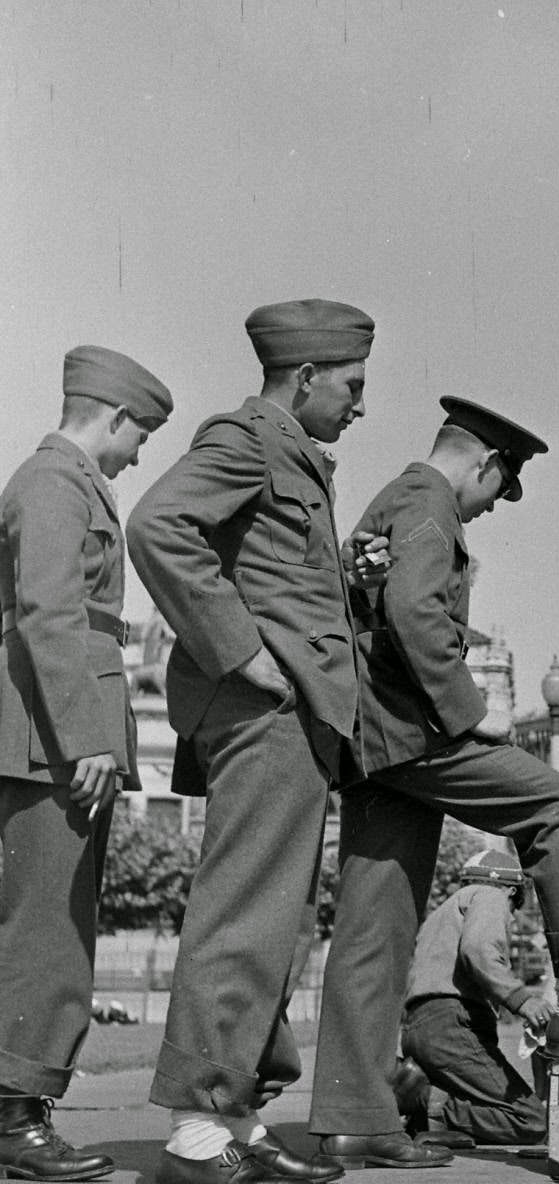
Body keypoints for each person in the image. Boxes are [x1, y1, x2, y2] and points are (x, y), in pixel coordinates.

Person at [125, 299, 406, 1184]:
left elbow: (273, 572)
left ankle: (235, 1121)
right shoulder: (247, 439)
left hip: (300, 719)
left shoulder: (296, 458)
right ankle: (196, 1141)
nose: (361, 403)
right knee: (246, 913)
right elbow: (158, 526)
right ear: (308, 376)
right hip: (267, 715)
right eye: (353, 385)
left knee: (276, 925)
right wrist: (244, 653)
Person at [308, 396, 559, 1167]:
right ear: (482, 465)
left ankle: (357, 1117)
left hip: (371, 743)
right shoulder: (430, 504)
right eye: (498, 488)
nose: (490, 506)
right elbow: (414, 610)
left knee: (374, 931)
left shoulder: (390, 501)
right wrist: (472, 711)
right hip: (415, 734)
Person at [0, 346, 172, 1182]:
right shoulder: (53, 483)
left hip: (54, 734)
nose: (138, 455)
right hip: (51, 739)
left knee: (51, 926)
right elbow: (50, 614)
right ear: (116, 418)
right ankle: (15, 1119)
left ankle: (19, 1107)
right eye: (139, 436)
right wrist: (86, 738)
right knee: (49, 932)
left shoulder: (61, 485)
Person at [393, 850, 549, 1148]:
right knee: (531, 1121)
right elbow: (479, 949)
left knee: (484, 1100)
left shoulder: (444, 911)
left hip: (420, 1028)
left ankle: (424, 1109)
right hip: (452, 1026)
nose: (511, 916)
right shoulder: (490, 897)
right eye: (514, 908)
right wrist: (522, 1000)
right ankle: (422, 1099)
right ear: (511, 890)